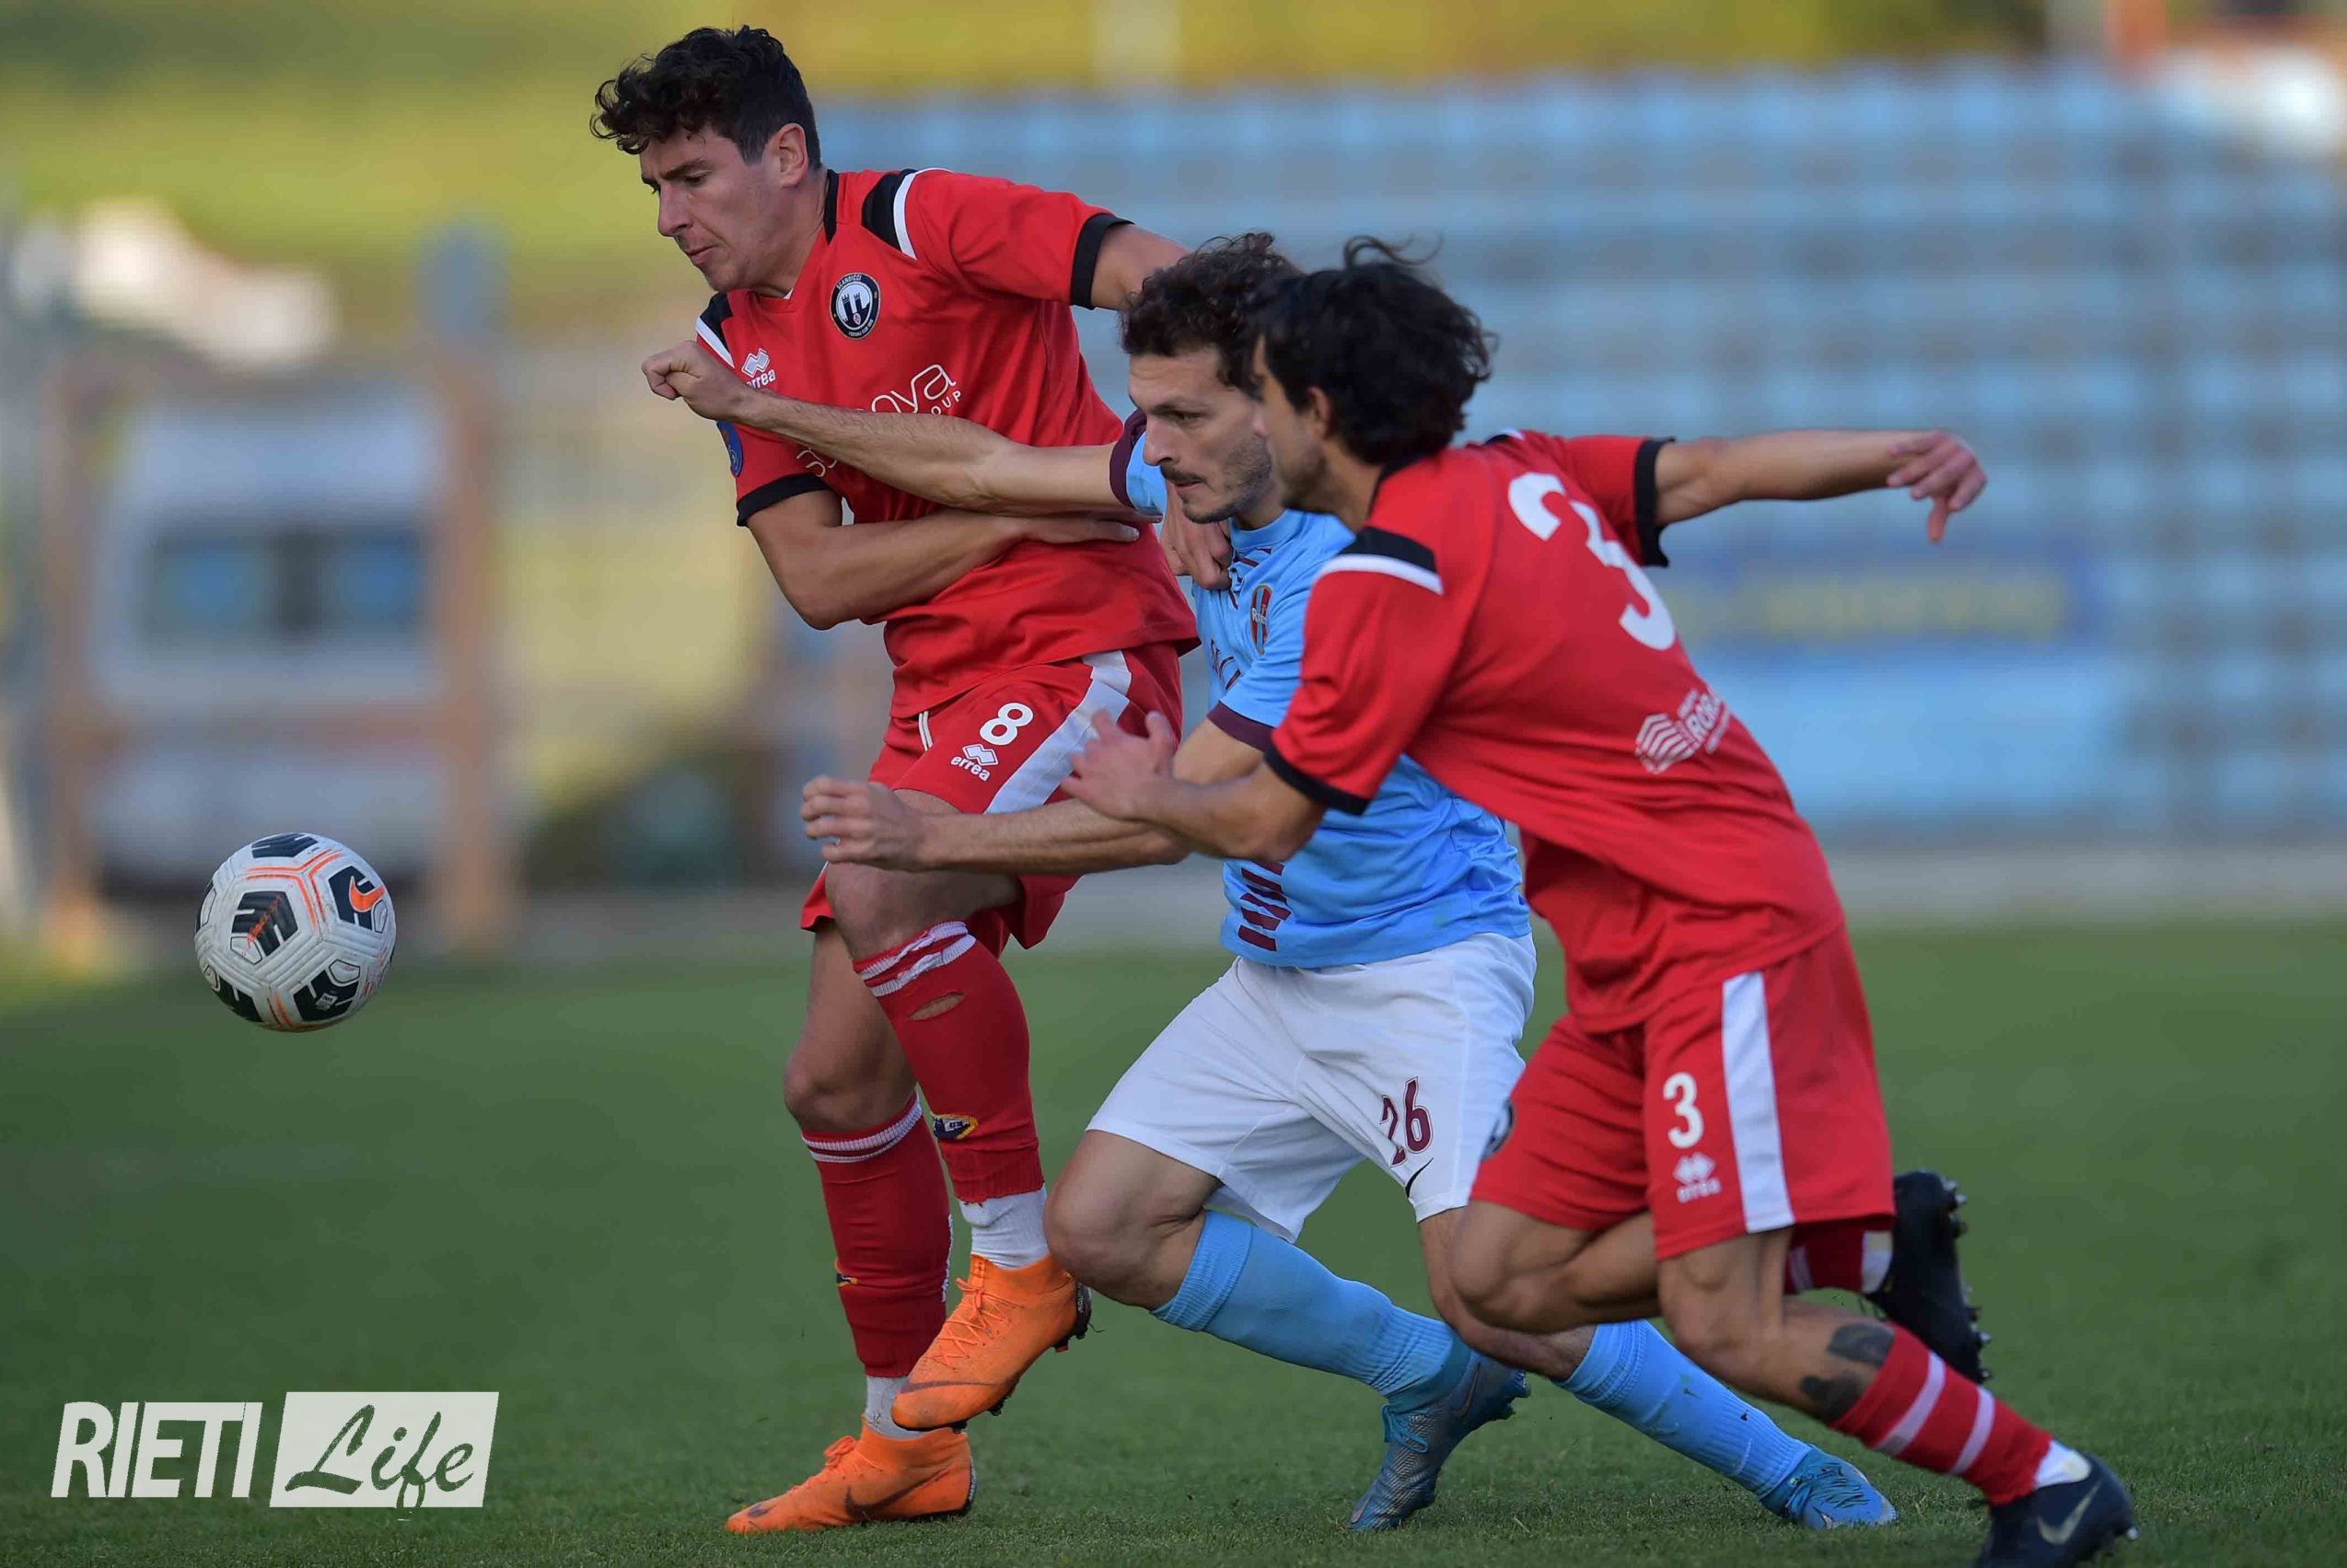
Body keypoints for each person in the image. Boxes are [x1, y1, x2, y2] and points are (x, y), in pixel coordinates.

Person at [678, 235, 1923, 1532]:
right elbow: (985, 468)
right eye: (1147, 414)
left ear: (1283, 405)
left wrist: (930, 843)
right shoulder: (1208, 481)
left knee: (1501, 1288)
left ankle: (1796, 1468)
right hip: (1281, 974)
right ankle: (1429, 1375)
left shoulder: (1350, 577)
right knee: (1105, 1229)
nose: (1150, 446)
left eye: (1184, 418)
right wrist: (762, 406)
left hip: (1422, 969)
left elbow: (1183, 822)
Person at [1057, 239, 2136, 1568]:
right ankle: (1855, 1247)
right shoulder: (1521, 469)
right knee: (1494, 1280)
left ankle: (2047, 1481)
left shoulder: (1390, 582)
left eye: (1258, 396)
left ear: (1316, 413)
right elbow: (1715, 470)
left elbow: (1270, 820)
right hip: (1627, 951)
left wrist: (1147, 790)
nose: (1237, 427)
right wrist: (1895, 452)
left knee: (1725, 1321)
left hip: (1722, 928)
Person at [594, 25, 1196, 1532]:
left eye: (691, 177)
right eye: (655, 188)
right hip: (942, 692)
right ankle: (909, 1445)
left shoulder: (924, 220)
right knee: (833, 1079)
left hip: (1075, 653)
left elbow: (1157, 273)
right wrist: (1028, 498)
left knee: (877, 881)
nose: (671, 215)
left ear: (787, 154)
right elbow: (818, 580)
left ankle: (1023, 1263)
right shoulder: (731, 347)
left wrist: (1189, 428)